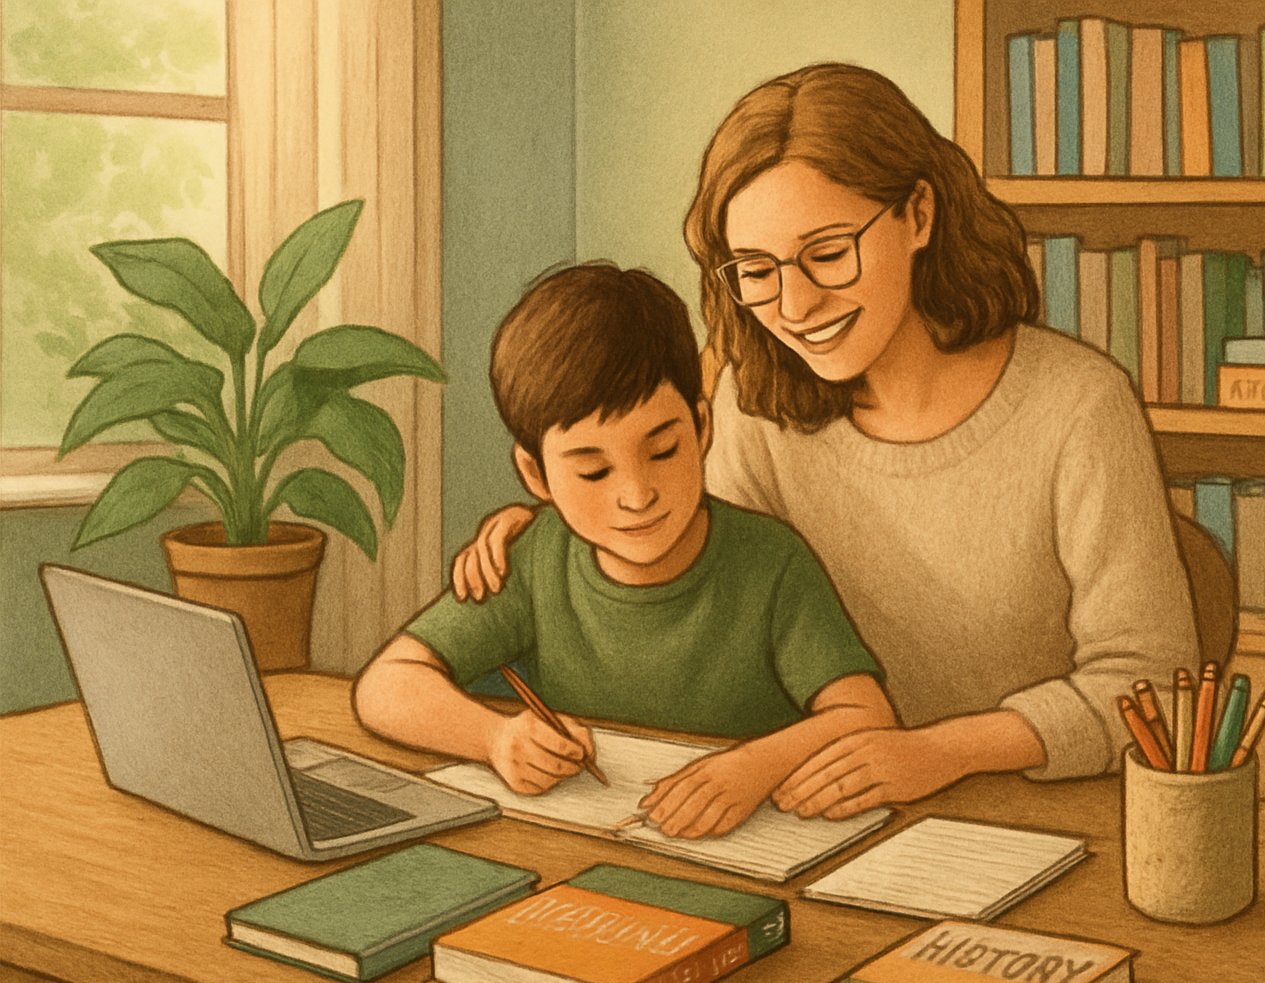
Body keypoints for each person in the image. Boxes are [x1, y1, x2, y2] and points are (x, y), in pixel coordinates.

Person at [450, 63, 1198, 820]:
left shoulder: (1077, 405)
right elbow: (693, 561)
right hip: (812, 817)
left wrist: (942, 752)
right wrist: (552, 537)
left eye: (829, 253)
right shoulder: (752, 404)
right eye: (757, 271)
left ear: (918, 215)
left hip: (1034, 818)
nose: (797, 305)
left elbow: (1155, 687)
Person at [353, 262, 895, 839]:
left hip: (749, 847)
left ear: (702, 427)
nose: (637, 496)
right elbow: (384, 686)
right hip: (590, 852)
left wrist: (754, 766)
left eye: (663, 450)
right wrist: (495, 738)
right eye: (592, 470)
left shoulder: (769, 562)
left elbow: (867, 715)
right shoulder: (536, 556)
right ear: (535, 474)